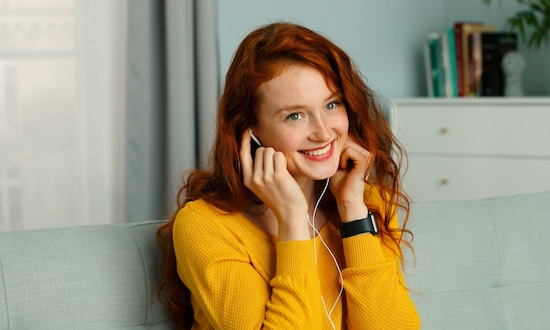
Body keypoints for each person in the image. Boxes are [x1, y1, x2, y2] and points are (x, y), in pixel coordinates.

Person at [157, 22, 420, 329]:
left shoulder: (368, 202)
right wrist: (293, 222)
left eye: (331, 104)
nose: (323, 133)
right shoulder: (206, 226)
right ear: (250, 129)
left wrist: (352, 212)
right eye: (295, 115)